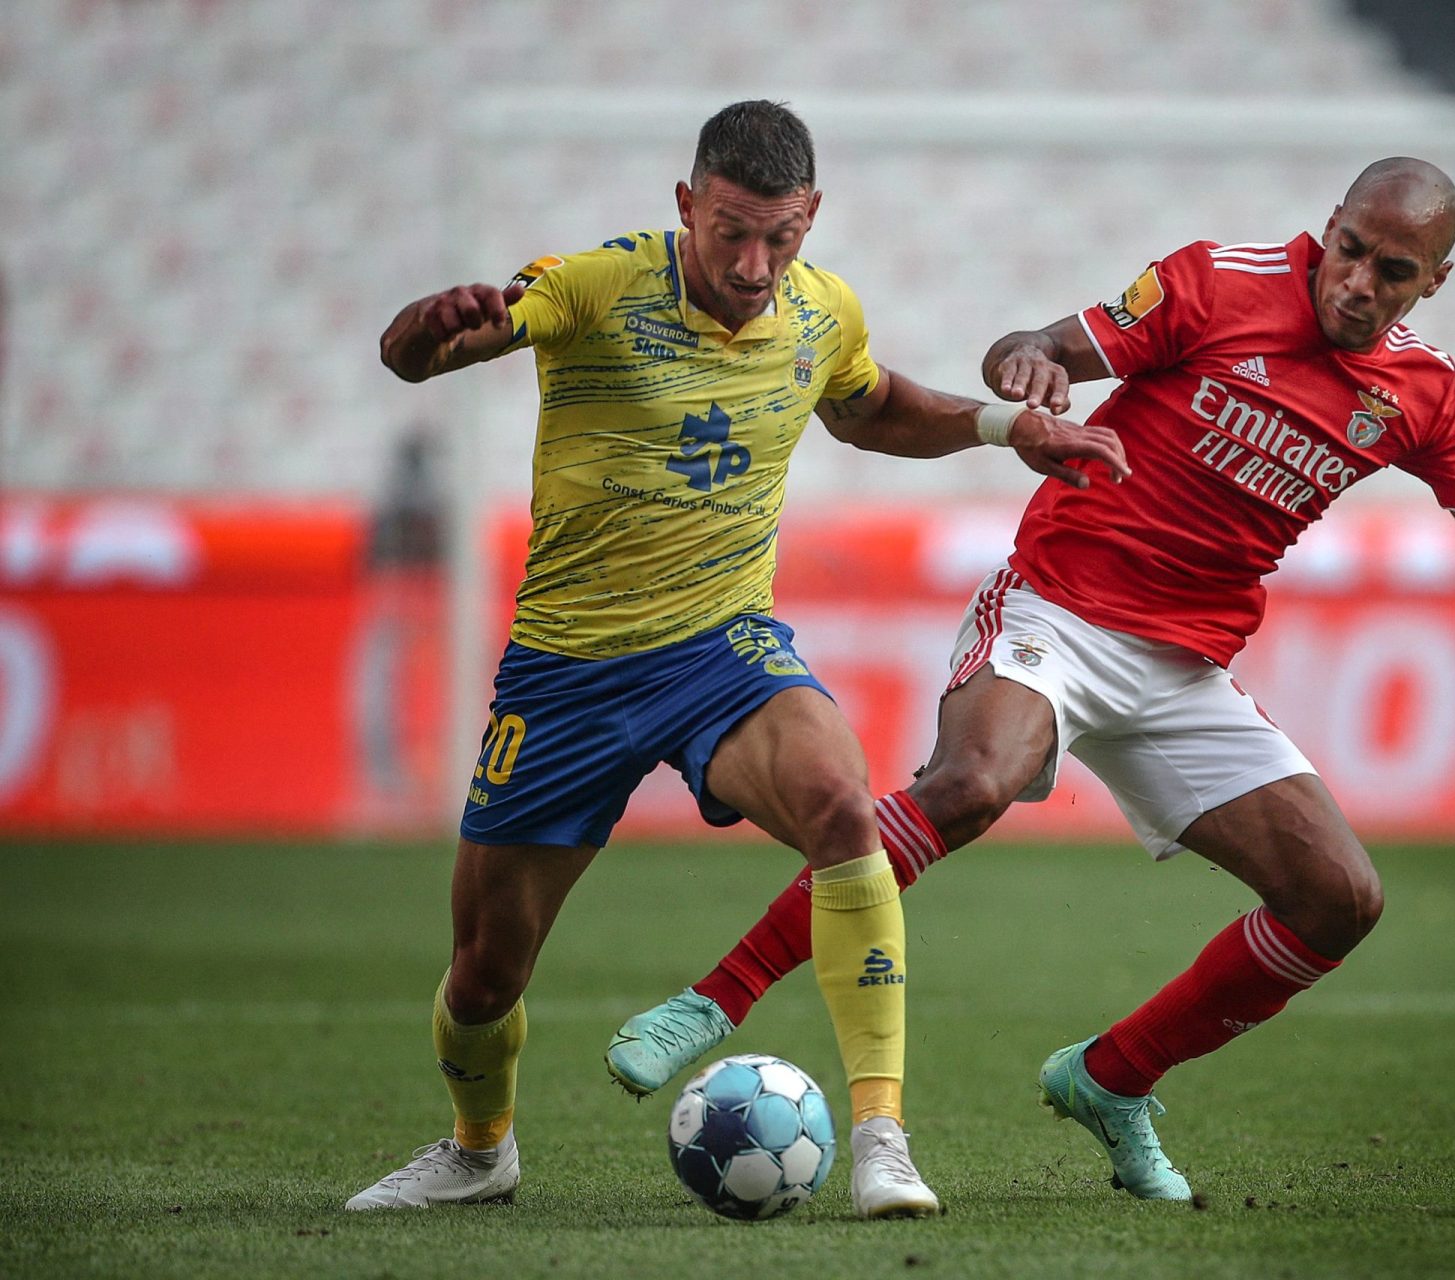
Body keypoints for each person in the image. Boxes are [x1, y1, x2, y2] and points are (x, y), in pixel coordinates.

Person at [605, 157, 1455, 1202]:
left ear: (1434, 282)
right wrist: (1031, 367)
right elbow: (1029, 344)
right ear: (1326, 231)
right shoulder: (1217, 283)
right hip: (1058, 604)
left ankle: (1114, 1074)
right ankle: (714, 997)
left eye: (1393, 270)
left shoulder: (1420, 395)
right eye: (1349, 248)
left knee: (1342, 898)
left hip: (1185, 665)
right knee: (975, 783)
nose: (1358, 282)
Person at [343, 100, 1128, 1218]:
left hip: (722, 648)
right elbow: (429, 356)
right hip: (566, 671)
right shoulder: (594, 284)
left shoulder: (820, 312)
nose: (757, 264)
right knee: (483, 972)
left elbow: (869, 407)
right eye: (732, 233)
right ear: (686, 207)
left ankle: (882, 1138)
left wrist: (1007, 431)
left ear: (810, 217)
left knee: (846, 811)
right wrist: (432, 327)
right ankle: (480, 1148)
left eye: (782, 237)